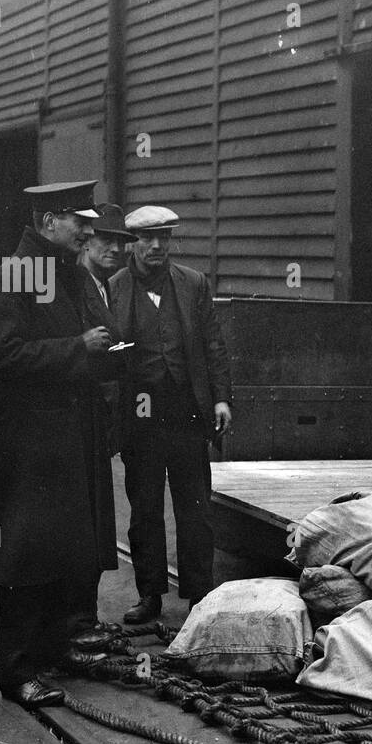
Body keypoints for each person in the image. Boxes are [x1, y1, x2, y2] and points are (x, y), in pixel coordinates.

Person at [0, 180, 118, 708]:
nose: (89, 229)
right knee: (26, 555)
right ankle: (15, 671)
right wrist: (76, 347)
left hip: (71, 435)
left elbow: (87, 340)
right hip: (31, 440)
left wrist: (108, 346)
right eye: (80, 220)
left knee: (66, 550)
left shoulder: (68, 275)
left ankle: (51, 652)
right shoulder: (11, 275)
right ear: (50, 221)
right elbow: (2, 356)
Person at [109, 205, 232, 624]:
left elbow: (213, 345)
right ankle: (149, 596)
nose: (157, 245)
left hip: (186, 413)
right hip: (139, 417)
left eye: (164, 237)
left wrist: (220, 398)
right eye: (147, 238)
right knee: (144, 509)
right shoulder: (114, 287)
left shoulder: (193, 283)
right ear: (132, 242)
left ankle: (199, 592)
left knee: (195, 508)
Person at [63, 203, 133, 641]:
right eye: (104, 240)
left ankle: (81, 618)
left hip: (98, 421)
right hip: (78, 420)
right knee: (80, 524)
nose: (114, 249)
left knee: (92, 523)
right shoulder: (77, 286)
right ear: (85, 241)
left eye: (121, 243)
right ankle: (76, 621)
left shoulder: (103, 286)